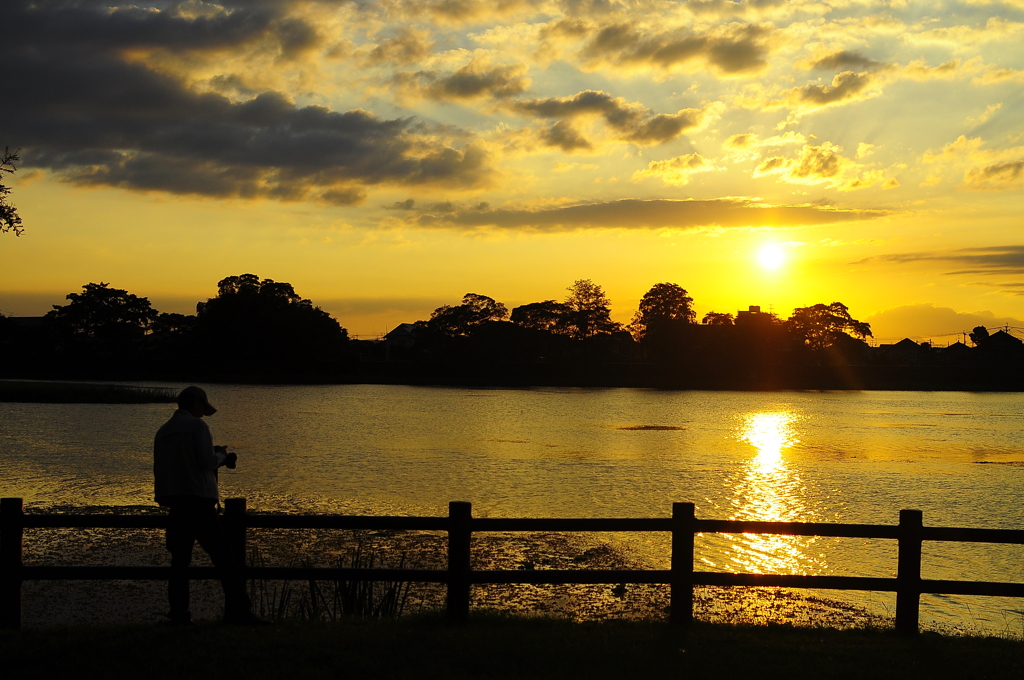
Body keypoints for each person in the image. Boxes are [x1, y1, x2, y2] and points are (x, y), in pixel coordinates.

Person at [154, 385, 264, 625]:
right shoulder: (198, 427)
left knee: (179, 564)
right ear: (194, 403)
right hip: (199, 505)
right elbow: (205, 461)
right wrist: (223, 456)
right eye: (202, 408)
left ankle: (179, 616)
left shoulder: (163, 431)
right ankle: (240, 613)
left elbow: (163, 469)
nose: (203, 414)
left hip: (176, 505)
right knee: (225, 560)